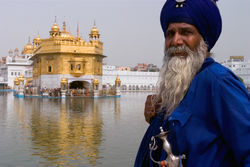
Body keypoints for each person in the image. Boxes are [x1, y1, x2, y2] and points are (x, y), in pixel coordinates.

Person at [134, 0, 250, 166]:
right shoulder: (179, 84)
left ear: (203, 40)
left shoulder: (218, 82)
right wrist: (158, 116)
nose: (176, 41)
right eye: (170, 33)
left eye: (186, 32)